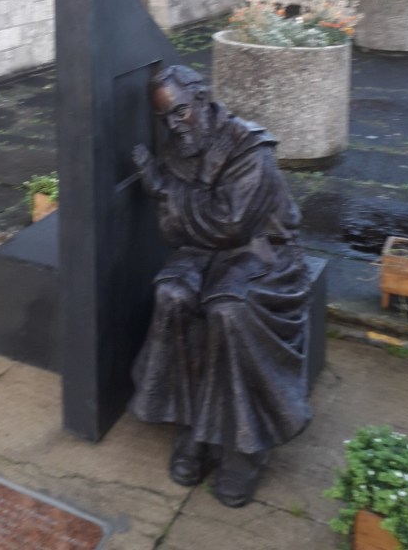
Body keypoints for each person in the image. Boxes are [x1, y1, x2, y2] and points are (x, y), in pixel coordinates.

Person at [130, 64, 311, 508]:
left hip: (264, 251)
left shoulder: (250, 147)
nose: (175, 125)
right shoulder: (177, 150)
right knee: (172, 295)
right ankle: (195, 425)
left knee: (228, 309)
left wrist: (162, 188)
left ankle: (246, 445)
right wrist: (168, 191)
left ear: (202, 98)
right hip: (203, 251)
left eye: (180, 112)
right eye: (165, 118)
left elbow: (232, 223)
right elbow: (175, 233)